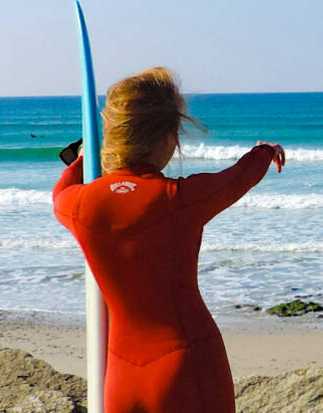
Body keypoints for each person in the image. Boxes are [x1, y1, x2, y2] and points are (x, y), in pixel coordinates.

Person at [52, 67, 286, 413]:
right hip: (187, 365)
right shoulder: (180, 199)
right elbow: (237, 178)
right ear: (167, 138)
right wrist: (264, 152)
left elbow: (60, 191)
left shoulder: (77, 205)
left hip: (120, 376)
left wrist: (83, 160)